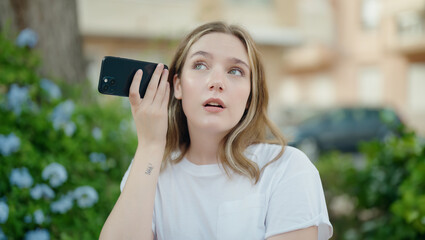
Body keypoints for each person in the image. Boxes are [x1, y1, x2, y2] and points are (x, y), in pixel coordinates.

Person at [99, 21, 333, 240]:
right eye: (200, 65)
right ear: (178, 86)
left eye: (235, 71)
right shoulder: (149, 169)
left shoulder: (286, 168)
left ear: (250, 96)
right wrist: (150, 146)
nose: (217, 81)